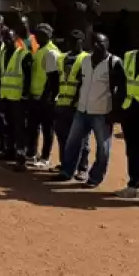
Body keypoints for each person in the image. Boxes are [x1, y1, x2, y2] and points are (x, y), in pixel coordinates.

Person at [52, 33, 124, 187]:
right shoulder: (85, 61)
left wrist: (115, 113)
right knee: (72, 143)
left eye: (101, 42)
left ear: (108, 43)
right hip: (82, 110)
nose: (97, 45)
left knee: (102, 149)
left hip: (102, 113)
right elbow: (80, 82)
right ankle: (67, 171)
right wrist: (74, 101)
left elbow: (121, 89)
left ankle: (95, 177)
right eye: (95, 43)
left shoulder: (114, 62)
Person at [54, 30, 90, 179]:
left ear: (82, 41)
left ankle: (82, 168)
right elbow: (57, 79)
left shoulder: (87, 58)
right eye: (71, 40)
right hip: (62, 103)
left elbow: (85, 82)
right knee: (63, 137)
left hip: (78, 105)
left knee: (81, 139)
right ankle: (66, 165)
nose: (74, 43)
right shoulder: (62, 57)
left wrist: (76, 101)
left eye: (77, 40)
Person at [115, 26, 139, 202]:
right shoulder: (129, 56)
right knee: (133, 149)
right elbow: (122, 82)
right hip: (131, 108)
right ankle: (134, 185)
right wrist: (119, 108)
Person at [26, 24, 61, 169]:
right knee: (33, 127)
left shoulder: (51, 52)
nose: (36, 37)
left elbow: (54, 79)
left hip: (45, 98)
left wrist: (47, 97)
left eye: (40, 35)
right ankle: (32, 153)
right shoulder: (38, 49)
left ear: (48, 35)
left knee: (47, 129)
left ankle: (45, 157)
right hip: (35, 95)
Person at [0, 28, 32, 171]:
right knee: (8, 126)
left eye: (10, 38)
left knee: (19, 129)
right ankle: (9, 152)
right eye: (5, 39)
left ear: (15, 38)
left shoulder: (23, 54)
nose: (7, 41)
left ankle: (21, 157)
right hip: (5, 96)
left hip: (18, 98)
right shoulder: (2, 54)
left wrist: (25, 95)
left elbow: (28, 76)